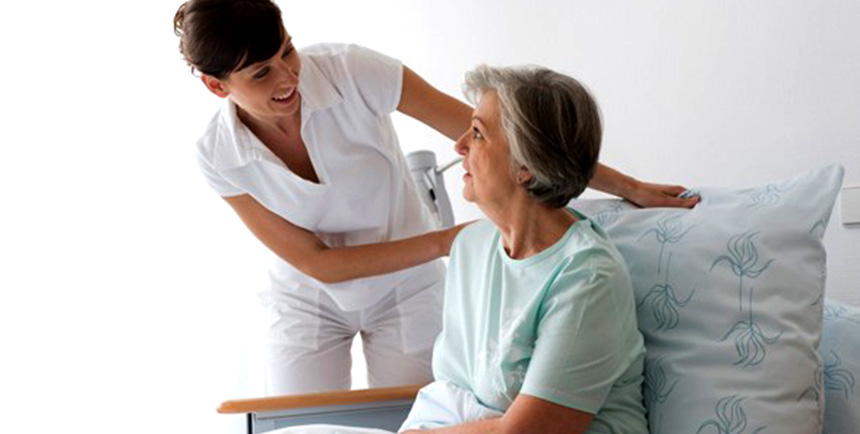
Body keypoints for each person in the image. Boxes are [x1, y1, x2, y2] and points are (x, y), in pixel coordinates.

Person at [173, 0, 697, 396]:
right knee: (300, 423)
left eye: (287, 50)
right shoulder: (217, 155)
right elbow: (321, 264)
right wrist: (448, 240)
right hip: (307, 297)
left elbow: (511, 138)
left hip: (406, 288)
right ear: (218, 88)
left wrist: (627, 187)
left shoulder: (352, 70)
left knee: (415, 411)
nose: (289, 76)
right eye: (262, 73)